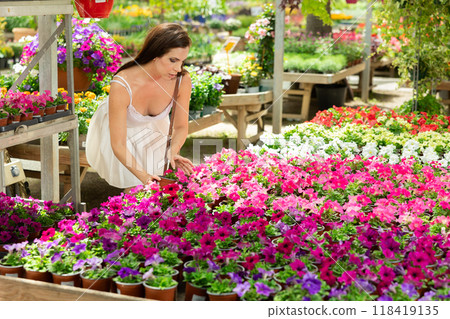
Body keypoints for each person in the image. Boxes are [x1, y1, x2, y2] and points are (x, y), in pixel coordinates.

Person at [86, 23, 194, 192]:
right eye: (173, 60)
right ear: (155, 54)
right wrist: (145, 177)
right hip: (121, 133)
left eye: (182, 61)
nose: (178, 68)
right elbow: (119, 145)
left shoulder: (182, 80)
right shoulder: (122, 84)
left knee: (156, 191)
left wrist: (173, 151)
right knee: (135, 190)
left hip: (154, 130)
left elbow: (181, 127)